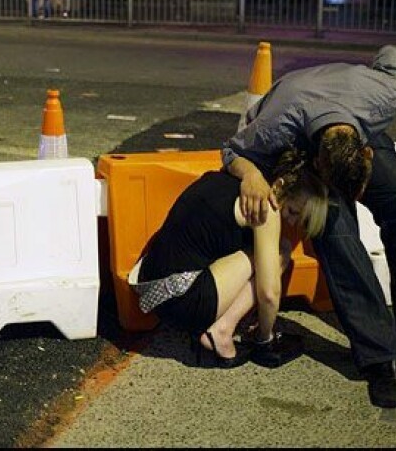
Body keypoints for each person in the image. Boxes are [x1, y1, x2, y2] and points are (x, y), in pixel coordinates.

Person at [222, 44, 396, 408]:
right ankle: (383, 357)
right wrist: (251, 174)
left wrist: (361, 71)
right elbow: (231, 150)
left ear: (366, 152)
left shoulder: (386, 95)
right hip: (302, 129)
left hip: (354, 114)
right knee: (335, 226)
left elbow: (393, 52)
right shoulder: (277, 126)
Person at [130, 149, 329, 369]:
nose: (290, 222)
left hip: (151, 285)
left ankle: (219, 327)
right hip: (184, 301)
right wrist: (264, 338)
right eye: (292, 211)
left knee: (263, 249)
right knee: (280, 251)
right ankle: (222, 331)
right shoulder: (266, 207)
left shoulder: (227, 178)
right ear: (278, 185)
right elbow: (270, 294)